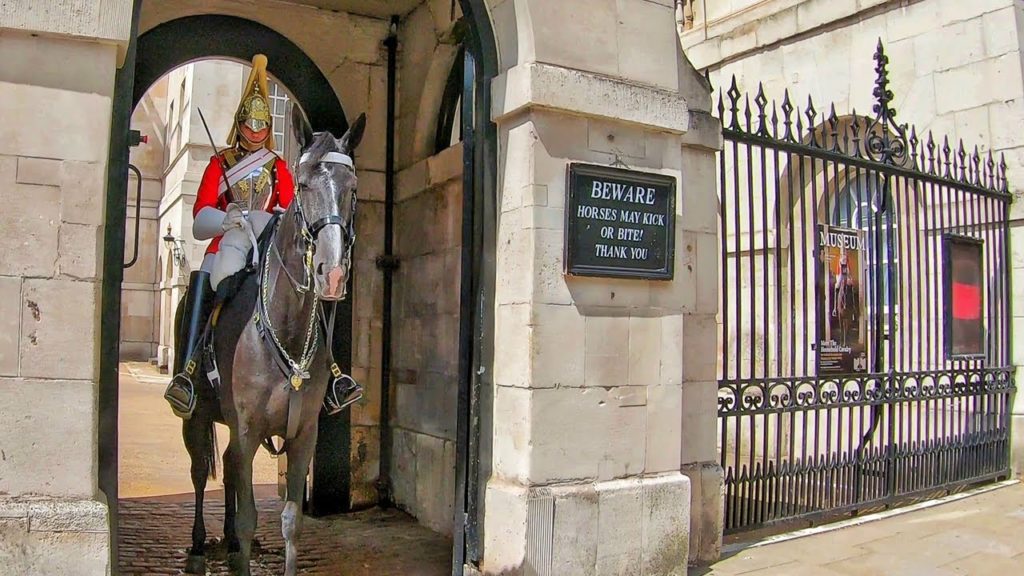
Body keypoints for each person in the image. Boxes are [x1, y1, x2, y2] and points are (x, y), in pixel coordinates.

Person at [164, 54, 359, 419]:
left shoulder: (280, 167)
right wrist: (226, 218)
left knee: (305, 290)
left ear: (268, 127)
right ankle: (189, 373)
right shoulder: (219, 165)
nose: (255, 131)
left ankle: (331, 375)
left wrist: (270, 217)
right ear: (240, 125)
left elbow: (290, 208)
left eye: (261, 125)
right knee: (207, 283)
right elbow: (199, 219)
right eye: (249, 124)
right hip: (229, 241)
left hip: (269, 243)